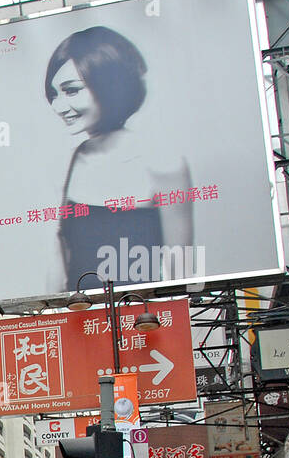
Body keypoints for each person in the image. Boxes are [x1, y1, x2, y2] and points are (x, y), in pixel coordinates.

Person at [45, 26, 191, 290]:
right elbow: (57, 266)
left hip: (146, 321)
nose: (58, 106)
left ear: (109, 85)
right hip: (81, 325)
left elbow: (181, 267)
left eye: (72, 90)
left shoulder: (163, 162)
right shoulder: (64, 167)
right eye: (54, 94)